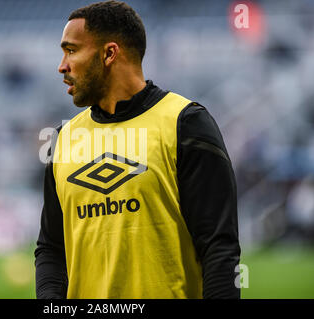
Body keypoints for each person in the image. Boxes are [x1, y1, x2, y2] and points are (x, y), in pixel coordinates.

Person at [35, 0, 240, 299]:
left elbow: (219, 247)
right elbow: (51, 248)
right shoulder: (62, 138)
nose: (62, 65)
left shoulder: (186, 123)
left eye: (72, 50)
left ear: (109, 53)